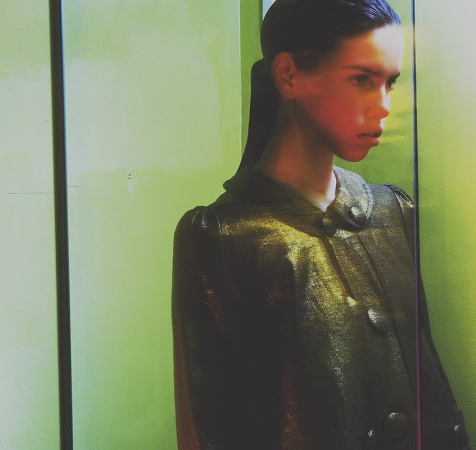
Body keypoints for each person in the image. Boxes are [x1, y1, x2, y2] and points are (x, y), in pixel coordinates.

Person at [171, 0, 470, 449]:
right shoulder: (225, 237)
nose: (384, 106)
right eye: (361, 79)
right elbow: (208, 425)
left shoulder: (392, 211)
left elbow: (429, 386)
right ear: (289, 74)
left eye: (389, 82)